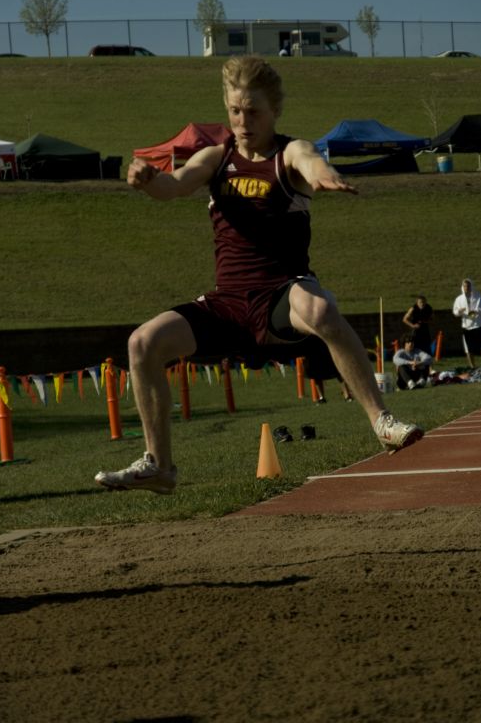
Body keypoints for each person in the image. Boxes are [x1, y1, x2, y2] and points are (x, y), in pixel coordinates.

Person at [95, 56, 423, 494]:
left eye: (254, 112)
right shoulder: (216, 158)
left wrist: (325, 177)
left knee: (321, 308)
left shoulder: (288, 153)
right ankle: (160, 466)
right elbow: (174, 186)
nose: (243, 121)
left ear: (274, 112)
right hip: (227, 305)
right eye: (235, 111)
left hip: (281, 298)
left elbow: (310, 162)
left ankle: (381, 421)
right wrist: (147, 179)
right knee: (142, 343)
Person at [452, 278, 481, 368]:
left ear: (471, 286)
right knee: (468, 349)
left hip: (478, 325)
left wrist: (477, 310)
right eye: (465, 286)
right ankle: (472, 367)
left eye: (468, 286)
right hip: (466, 326)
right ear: (462, 287)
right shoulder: (459, 299)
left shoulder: (479, 297)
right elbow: (455, 312)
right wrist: (459, 311)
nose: (466, 287)